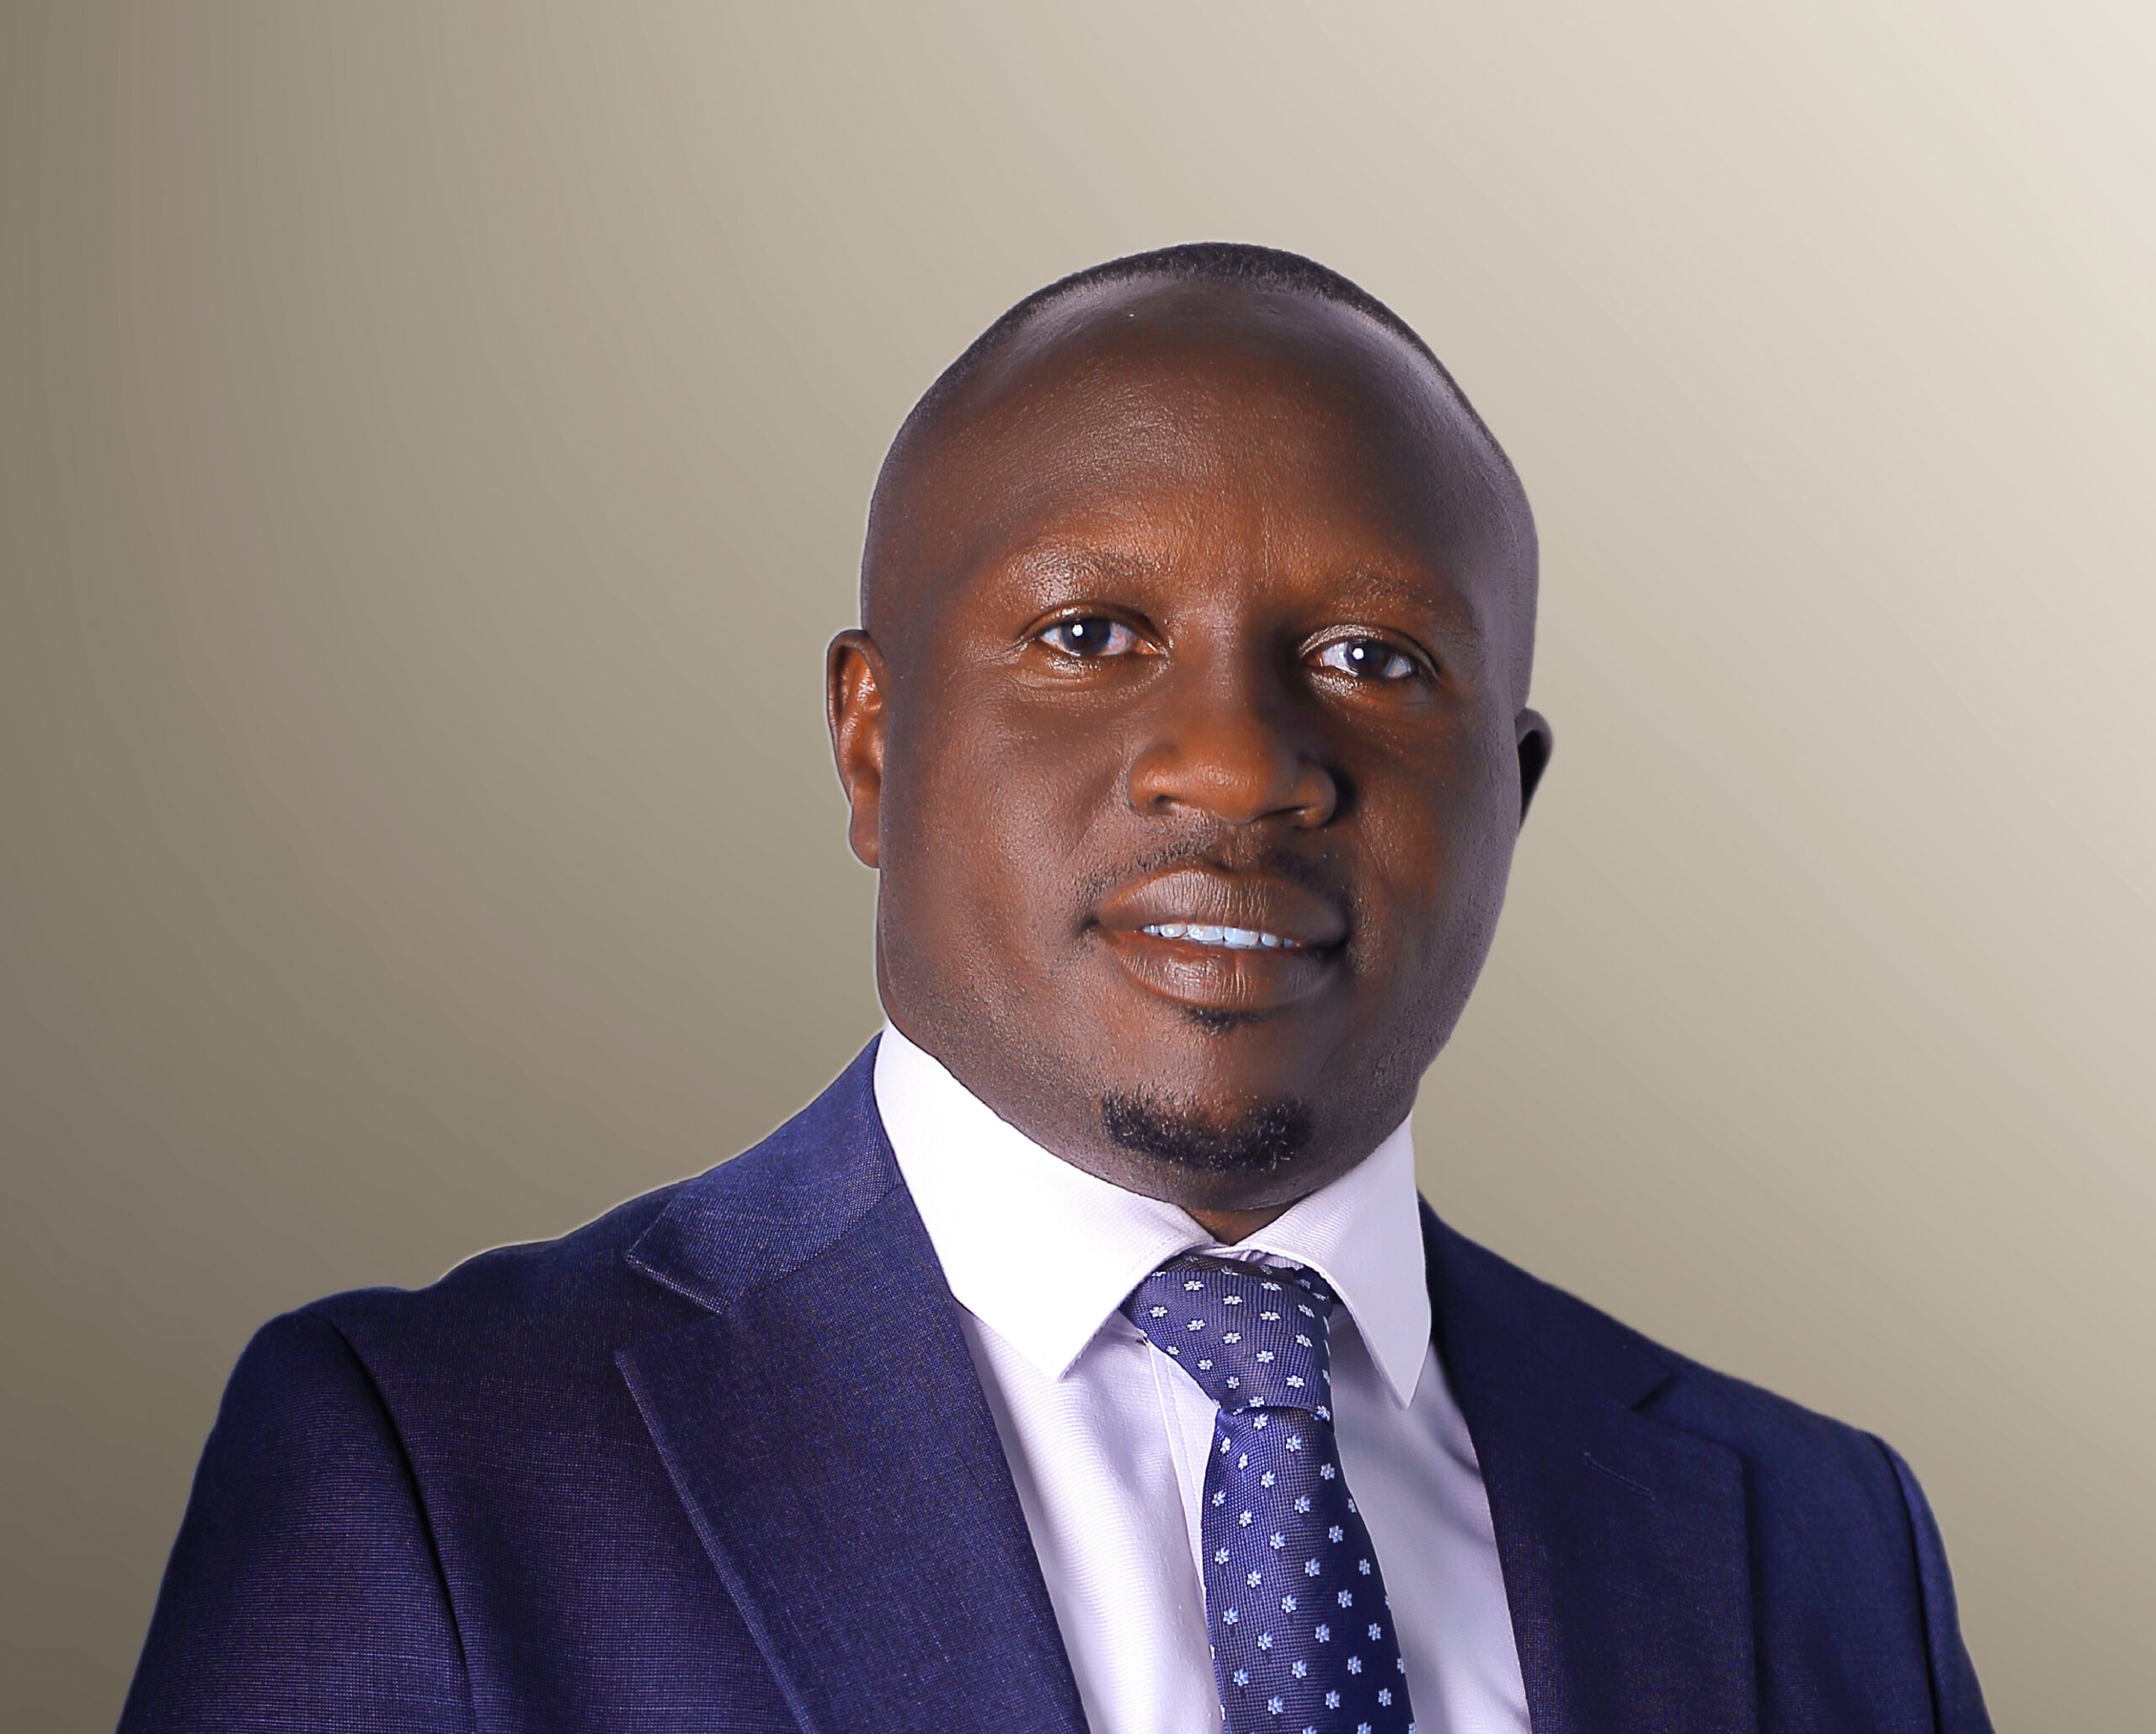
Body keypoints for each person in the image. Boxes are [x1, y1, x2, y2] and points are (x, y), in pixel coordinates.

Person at [120, 243, 1991, 1734]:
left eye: (1369, 657)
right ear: (872, 743)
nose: (1237, 766)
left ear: (1510, 790)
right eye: (1091, 634)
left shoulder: (1817, 1543)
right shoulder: (435, 1470)